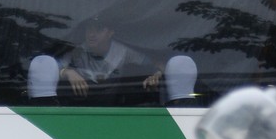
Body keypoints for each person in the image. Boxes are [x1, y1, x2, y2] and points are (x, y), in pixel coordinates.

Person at [27, 16, 197, 105]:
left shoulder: (124, 52)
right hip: (82, 101)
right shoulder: (78, 50)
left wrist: (158, 74)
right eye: (89, 30)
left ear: (110, 33)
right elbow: (49, 68)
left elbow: (159, 64)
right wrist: (68, 72)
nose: (91, 34)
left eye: (98, 30)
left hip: (116, 100)